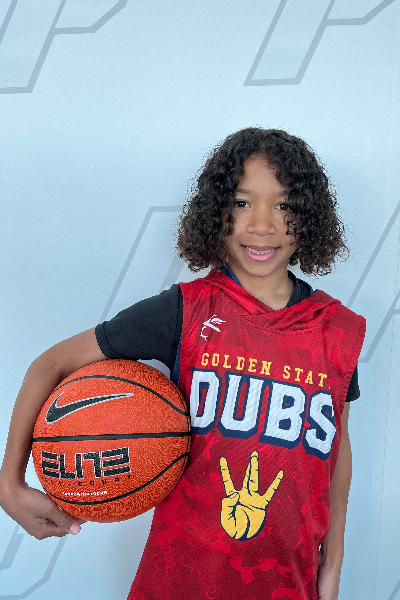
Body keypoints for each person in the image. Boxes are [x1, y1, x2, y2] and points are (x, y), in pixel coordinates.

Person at [0, 128, 365, 600]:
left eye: (284, 205)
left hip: (288, 580)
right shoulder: (183, 311)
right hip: (179, 578)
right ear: (216, 212)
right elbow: (49, 364)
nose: (262, 224)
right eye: (241, 202)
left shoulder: (335, 330)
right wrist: (10, 485)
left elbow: (337, 446)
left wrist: (333, 557)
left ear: (308, 215)